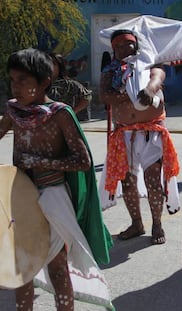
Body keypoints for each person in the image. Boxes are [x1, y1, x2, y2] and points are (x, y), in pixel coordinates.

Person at [0, 48, 113, 310]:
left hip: (53, 198)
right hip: (20, 198)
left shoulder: (60, 114)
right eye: (12, 80)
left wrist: (42, 163)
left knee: (58, 268)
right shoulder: (14, 112)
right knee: (22, 269)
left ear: (44, 82)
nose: (15, 87)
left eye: (22, 81)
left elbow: (82, 161)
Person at [100, 29, 180, 245]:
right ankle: (137, 223)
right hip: (124, 134)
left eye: (129, 44)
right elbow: (104, 95)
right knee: (127, 183)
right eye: (120, 46)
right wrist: (129, 94)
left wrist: (149, 90)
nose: (125, 49)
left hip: (150, 133)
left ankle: (157, 223)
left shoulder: (148, 62)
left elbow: (157, 78)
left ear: (136, 45)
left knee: (153, 181)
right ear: (114, 49)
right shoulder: (110, 70)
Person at [48, 53, 93, 121]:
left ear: (60, 66)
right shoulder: (41, 83)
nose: (50, 66)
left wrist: (72, 112)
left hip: (64, 122)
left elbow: (87, 97)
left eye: (53, 64)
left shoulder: (69, 84)